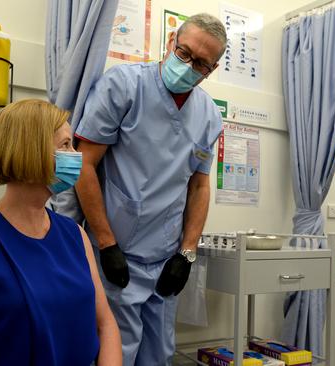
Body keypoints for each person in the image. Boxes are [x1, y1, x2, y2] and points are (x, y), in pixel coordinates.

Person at [56, 13, 226, 366]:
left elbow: (199, 185)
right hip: (116, 253)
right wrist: (105, 243)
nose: (188, 65)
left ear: (211, 70)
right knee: (115, 353)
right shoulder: (123, 86)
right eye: (183, 53)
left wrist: (187, 253)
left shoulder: (209, 115)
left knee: (159, 355)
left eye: (200, 64)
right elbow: (85, 165)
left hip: (165, 257)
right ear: (170, 41)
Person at [0, 99, 121, 365]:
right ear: (31, 151)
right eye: (65, 145)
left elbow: (105, 324)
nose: (76, 155)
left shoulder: (74, 235)